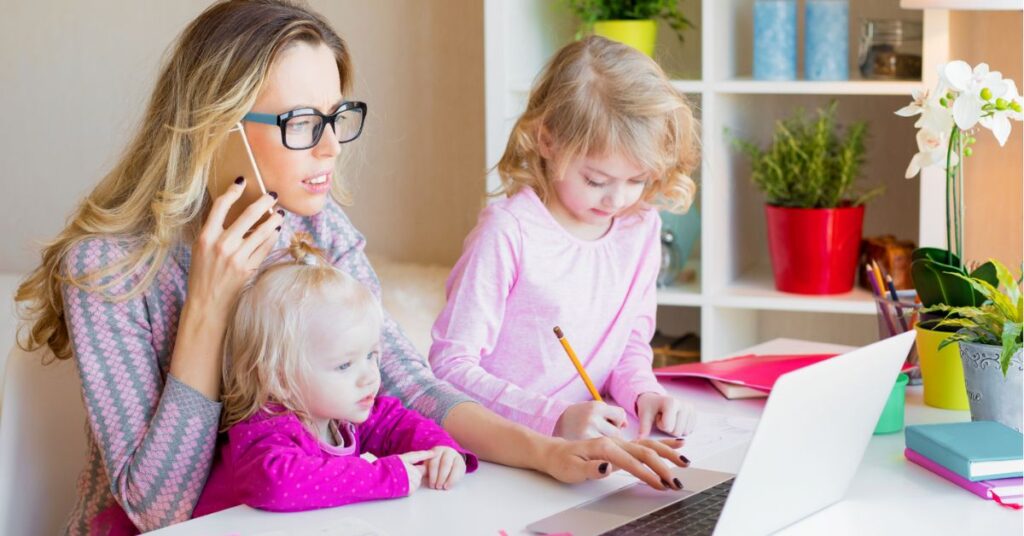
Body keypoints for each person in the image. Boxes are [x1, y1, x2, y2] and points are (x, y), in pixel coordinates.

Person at [14, 2, 688, 533]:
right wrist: (208, 306)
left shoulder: (317, 228)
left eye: (338, 117)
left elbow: (411, 384)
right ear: (213, 126)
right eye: (303, 122)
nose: (331, 148)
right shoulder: (109, 268)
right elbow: (159, 509)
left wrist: (546, 451)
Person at [430, 36, 700, 443]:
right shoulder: (508, 233)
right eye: (596, 180)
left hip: (585, 445)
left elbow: (628, 345)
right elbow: (449, 368)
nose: (618, 199)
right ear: (547, 141)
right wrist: (553, 417)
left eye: (638, 180)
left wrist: (645, 393)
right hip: (507, 448)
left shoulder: (639, 226)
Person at [191, 234, 475, 520]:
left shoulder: (343, 413)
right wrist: (384, 476)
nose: (369, 377)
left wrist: (443, 451)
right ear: (280, 379)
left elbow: (398, 424)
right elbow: (277, 485)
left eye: (372, 356)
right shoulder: (264, 427)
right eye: (344, 366)